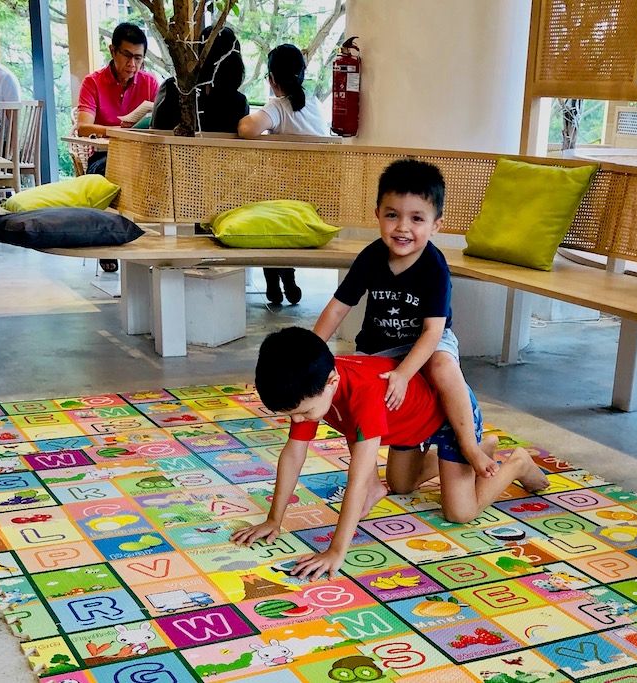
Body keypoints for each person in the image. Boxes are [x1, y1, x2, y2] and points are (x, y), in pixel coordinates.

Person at [230, 327, 548, 580]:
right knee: (401, 484)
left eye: (304, 413)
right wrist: (274, 519)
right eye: (293, 416)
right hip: (408, 426)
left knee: (459, 512)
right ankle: (482, 449)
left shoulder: (364, 394)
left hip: (451, 417)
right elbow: (293, 454)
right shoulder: (311, 386)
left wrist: (336, 551)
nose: (299, 421)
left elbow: (358, 481)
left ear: (332, 381)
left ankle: (516, 463)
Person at [312, 159, 498, 480]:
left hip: (428, 340)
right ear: (377, 214)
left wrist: (403, 373)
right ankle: (369, 479)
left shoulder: (434, 266)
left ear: (436, 225)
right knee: (399, 481)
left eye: (416, 218)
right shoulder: (371, 257)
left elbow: (433, 331)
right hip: (378, 347)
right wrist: (311, 353)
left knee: (442, 366)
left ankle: (470, 444)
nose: (402, 227)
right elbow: (338, 308)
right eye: (392, 215)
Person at [239, 43, 329, 306]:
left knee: (262, 208)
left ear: (271, 79)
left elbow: (247, 129)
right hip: (312, 198)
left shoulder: (278, 106)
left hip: (284, 198)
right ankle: (287, 277)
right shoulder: (314, 104)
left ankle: (273, 279)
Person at [76, 22, 159, 272]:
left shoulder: (149, 83)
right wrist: (118, 131)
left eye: (138, 58)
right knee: (106, 177)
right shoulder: (93, 82)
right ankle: (107, 242)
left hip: (140, 158)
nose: (132, 64)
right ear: (113, 51)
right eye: (127, 55)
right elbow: (83, 127)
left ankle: (150, 243)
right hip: (105, 157)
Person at [151, 25, 247, 133]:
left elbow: (155, 131)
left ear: (198, 54)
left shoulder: (173, 87)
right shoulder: (239, 102)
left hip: (171, 144)